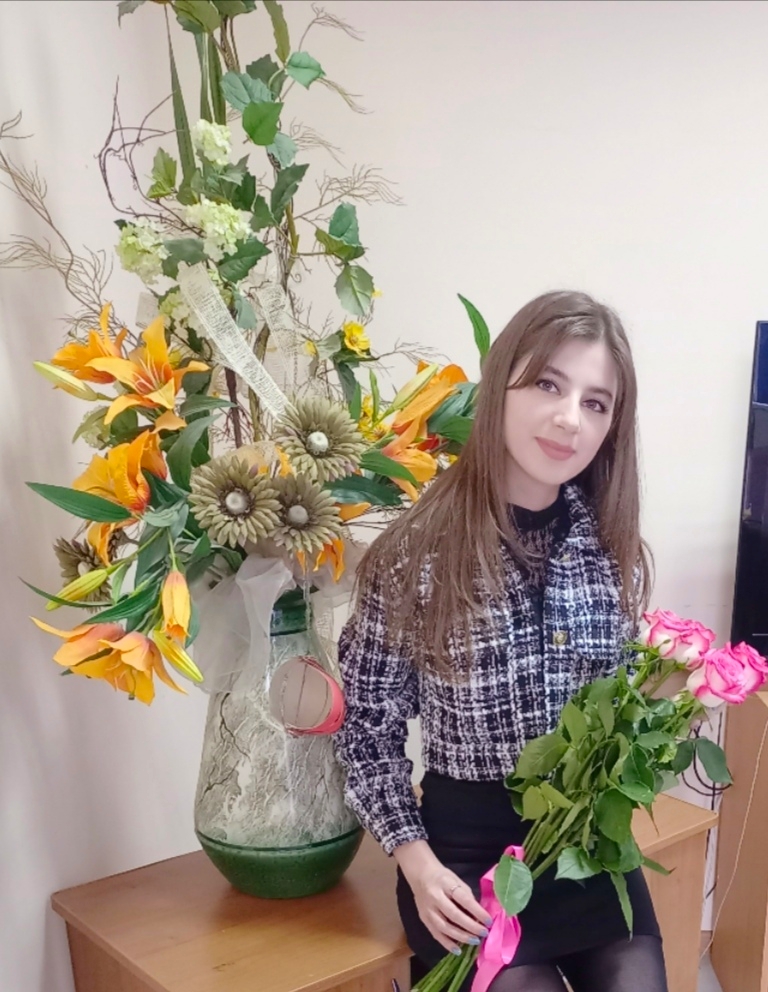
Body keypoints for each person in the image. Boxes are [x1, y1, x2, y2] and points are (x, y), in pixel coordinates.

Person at [333, 291, 667, 992]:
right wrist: (417, 865)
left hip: (584, 848)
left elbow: (616, 703)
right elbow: (365, 731)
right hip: (463, 860)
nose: (569, 418)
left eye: (596, 402)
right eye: (548, 384)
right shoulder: (412, 556)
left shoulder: (613, 551)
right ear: (502, 385)